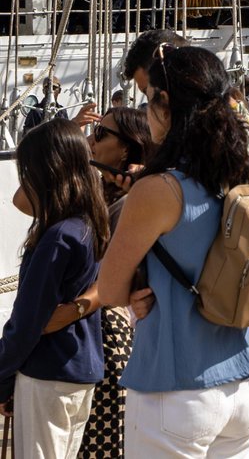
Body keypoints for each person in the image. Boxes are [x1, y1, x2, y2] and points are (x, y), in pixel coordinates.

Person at [97, 46, 249, 456]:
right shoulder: (237, 174)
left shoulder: (157, 190)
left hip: (175, 387)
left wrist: (138, 287)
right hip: (240, 381)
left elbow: (109, 288)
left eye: (148, 98)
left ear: (165, 105)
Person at [0, 119, 108, 457]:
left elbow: (28, 321)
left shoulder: (57, 237)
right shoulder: (89, 226)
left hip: (47, 373)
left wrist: (1, 376)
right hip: (81, 369)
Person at [72, 107, 152, 455]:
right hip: (89, 333)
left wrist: (70, 310)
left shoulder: (131, 204)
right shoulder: (93, 193)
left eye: (101, 134)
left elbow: (112, 278)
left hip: (108, 333)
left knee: (103, 446)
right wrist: (73, 139)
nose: (92, 139)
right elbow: (24, 198)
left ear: (125, 150)